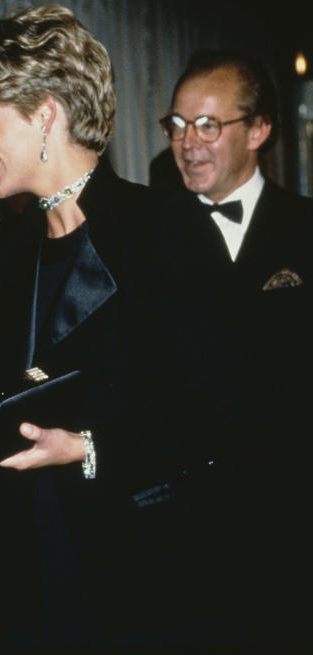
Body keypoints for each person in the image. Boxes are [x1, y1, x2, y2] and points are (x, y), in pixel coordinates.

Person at [0, 5, 247, 645]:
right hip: (22, 581)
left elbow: (225, 411)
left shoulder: (166, 230)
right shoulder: (2, 253)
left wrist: (88, 448)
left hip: (144, 587)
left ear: (45, 115)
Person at [165, 49, 313, 642]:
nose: (187, 142)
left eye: (207, 125)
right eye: (176, 125)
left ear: (259, 130)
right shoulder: (144, 237)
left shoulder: (305, 231)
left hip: (291, 519)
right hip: (180, 527)